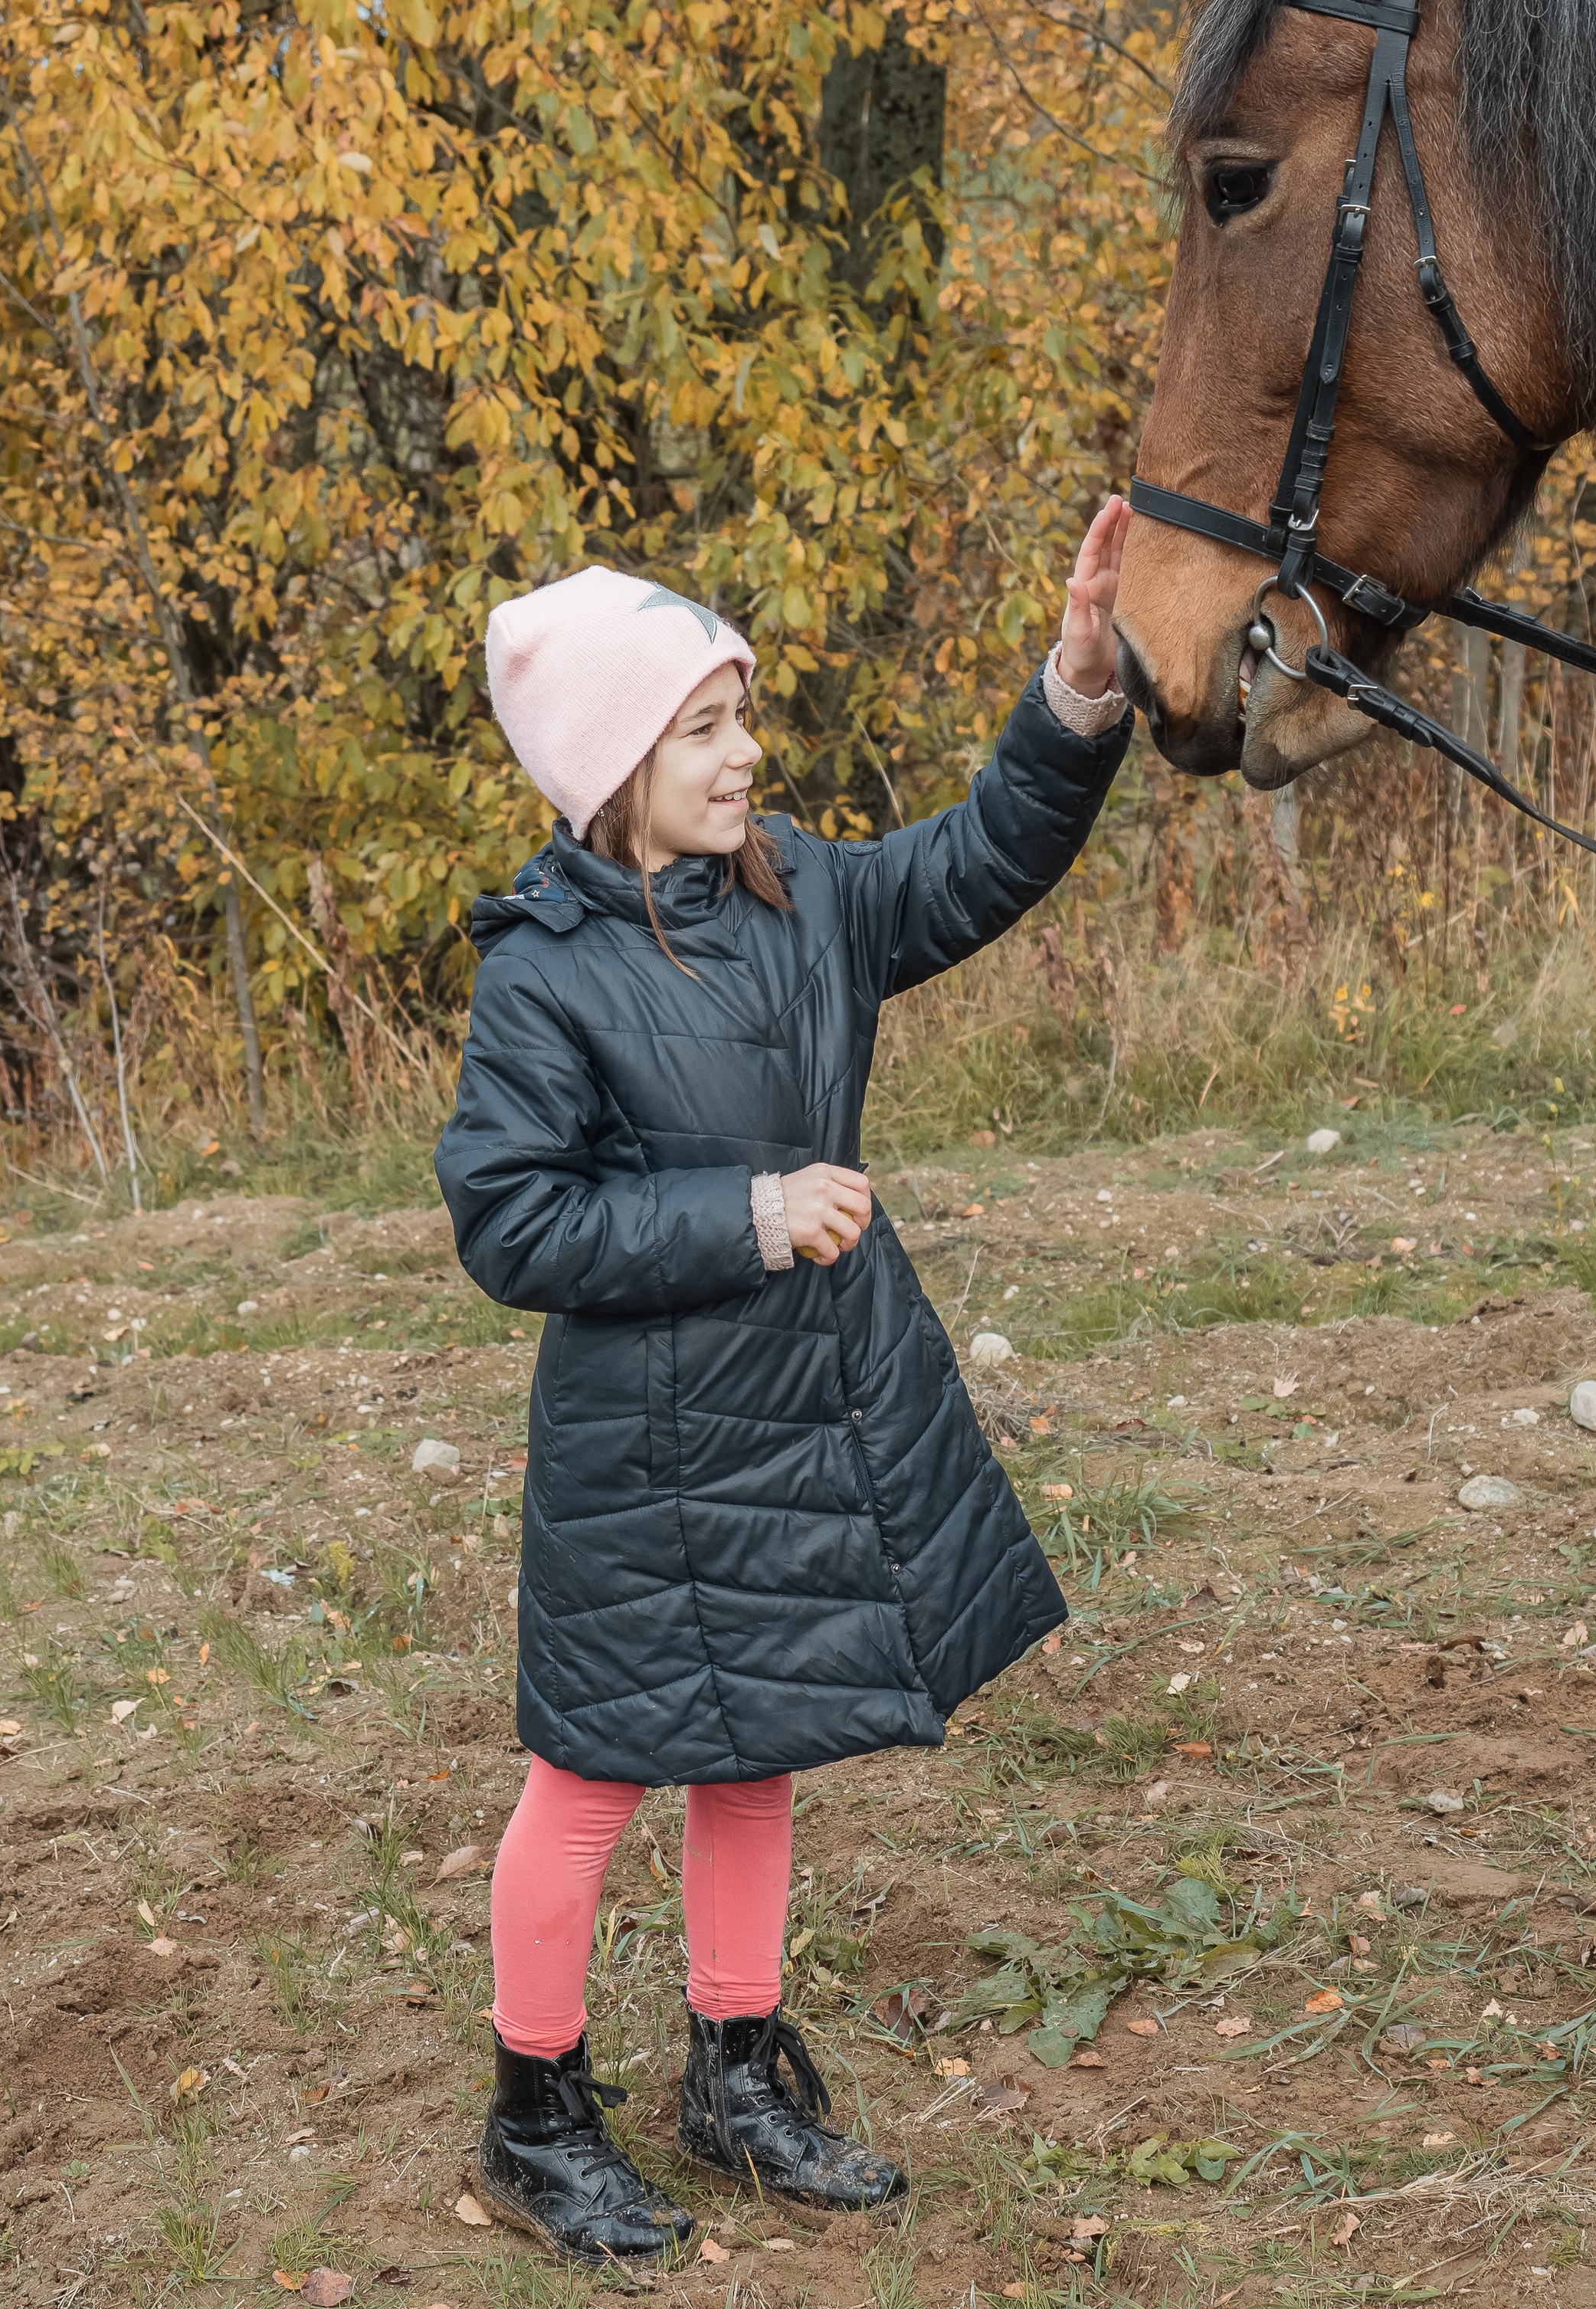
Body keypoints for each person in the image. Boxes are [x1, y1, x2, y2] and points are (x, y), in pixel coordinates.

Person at [434, 498, 1133, 2267]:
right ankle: (534, 2115)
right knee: (589, 1776)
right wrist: (743, 1213)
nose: (748, 751)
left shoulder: (806, 892)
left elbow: (977, 860)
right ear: (612, 766)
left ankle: (735, 2076)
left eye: (742, 715)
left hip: (799, 1423)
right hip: (641, 1450)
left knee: (761, 1752)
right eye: (705, 726)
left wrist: (1069, 692)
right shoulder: (543, 976)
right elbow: (510, 1223)